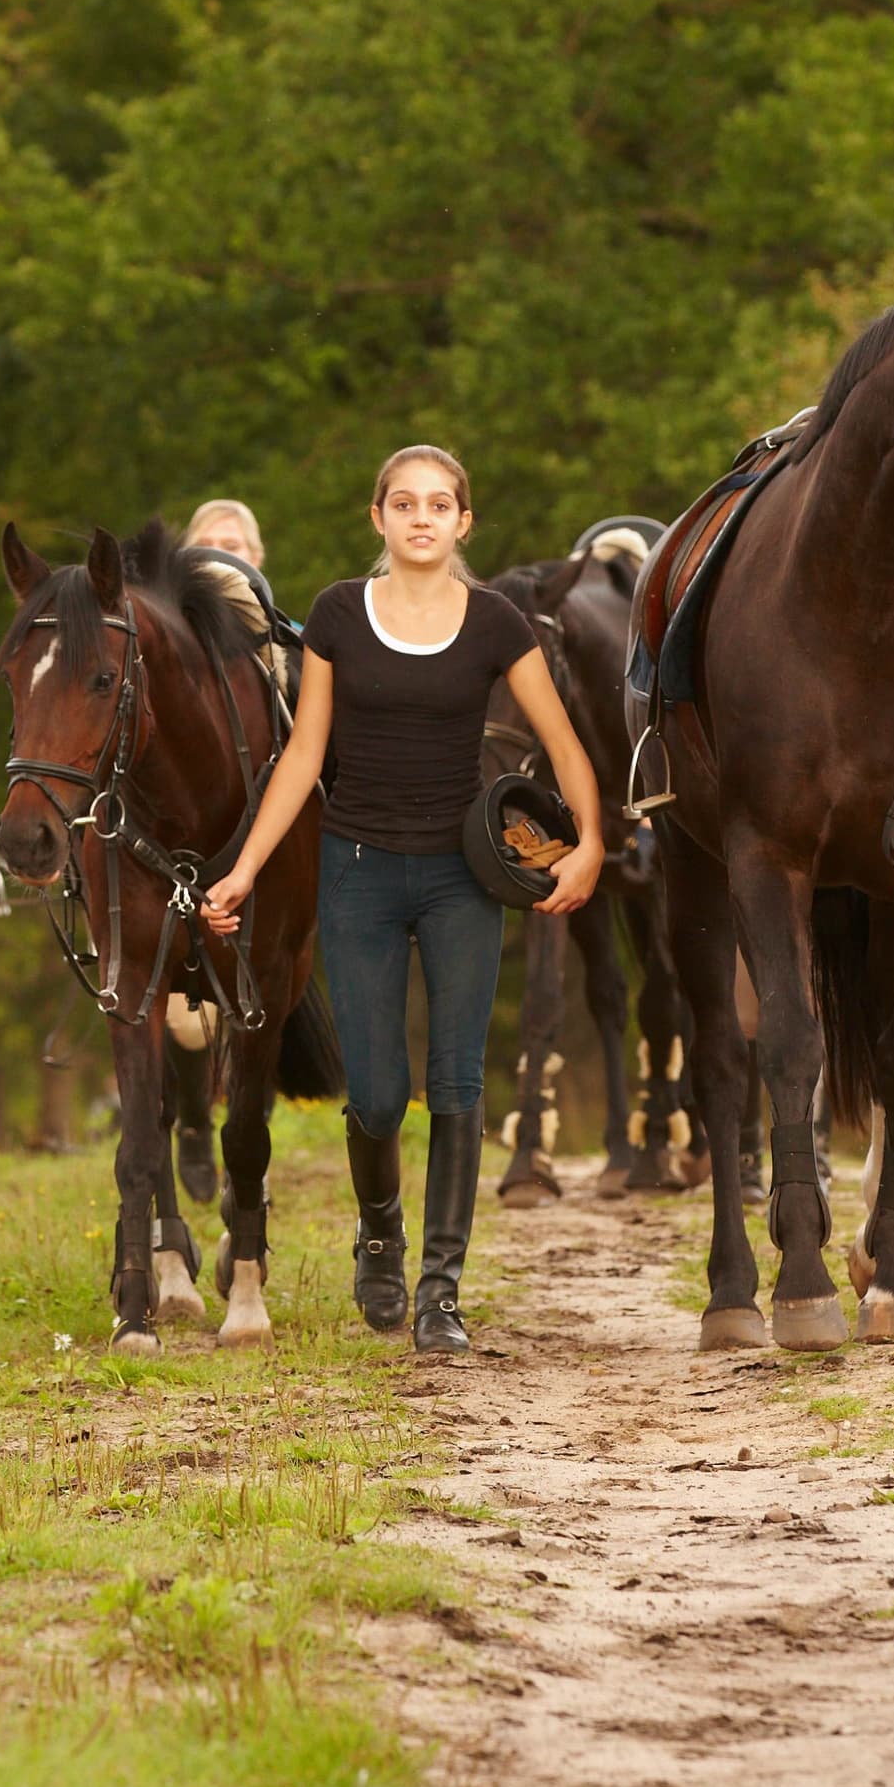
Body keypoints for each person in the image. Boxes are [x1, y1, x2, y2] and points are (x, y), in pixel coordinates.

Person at [200, 445, 603, 1357]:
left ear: (464, 524)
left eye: (440, 505)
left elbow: (564, 742)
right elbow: (303, 757)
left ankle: (440, 1293)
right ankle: (380, 1231)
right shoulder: (341, 614)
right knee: (378, 1096)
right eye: (404, 503)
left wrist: (590, 845)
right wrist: (247, 868)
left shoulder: (498, 623)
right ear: (377, 518)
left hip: (464, 876)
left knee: (457, 1086)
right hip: (357, 872)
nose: (421, 518)